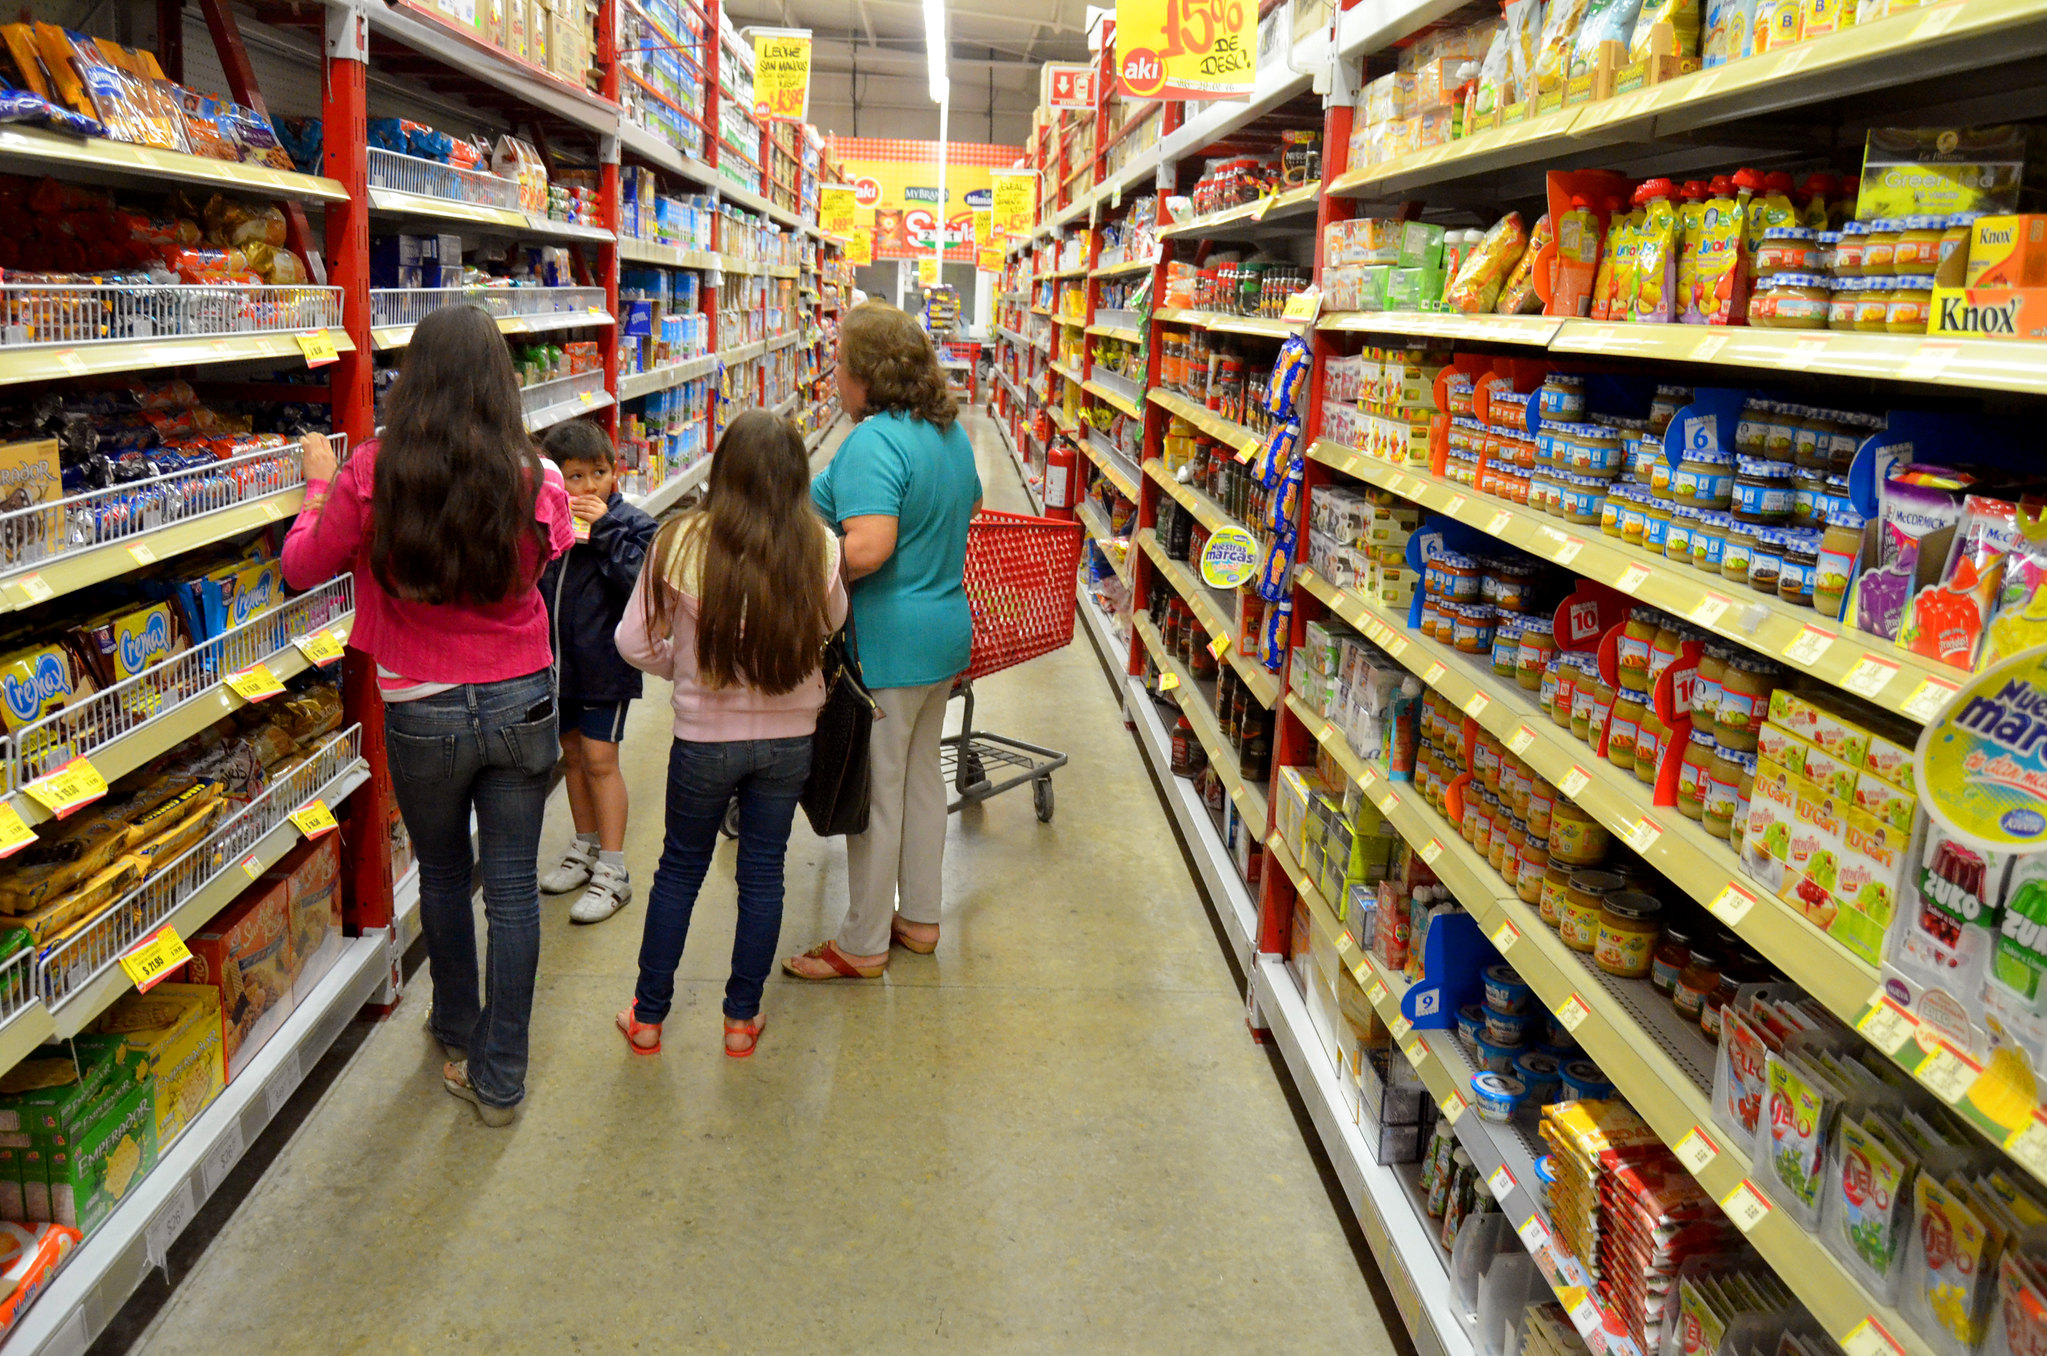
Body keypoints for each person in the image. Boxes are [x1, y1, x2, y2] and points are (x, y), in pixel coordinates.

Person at [282, 304, 574, 1127]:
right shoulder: (538, 475)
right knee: (514, 892)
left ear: (412, 382)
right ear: (501, 385)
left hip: (420, 704)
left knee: (444, 875)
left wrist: (313, 486)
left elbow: (303, 567)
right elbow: (555, 551)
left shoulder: (372, 471)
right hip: (522, 697)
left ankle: (454, 1030)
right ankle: (501, 1076)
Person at [614, 411, 847, 1056]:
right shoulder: (820, 546)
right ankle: (741, 1021)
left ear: (722, 472)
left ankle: (648, 1017)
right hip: (789, 740)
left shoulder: (678, 543)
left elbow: (631, 641)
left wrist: (681, 666)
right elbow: (831, 623)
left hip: (703, 740)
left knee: (679, 870)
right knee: (764, 875)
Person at [785, 302, 980, 982]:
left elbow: (867, 548)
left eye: (839, 363)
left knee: (878, 791)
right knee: (922, 781)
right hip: (944, 632)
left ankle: (862, 942)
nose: (833, 376)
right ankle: (919, 919)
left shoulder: (873, 441)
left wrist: (803, 570)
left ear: (866, 375)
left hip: (888, 645)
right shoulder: (945, 433)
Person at [536, 420, 657, 924]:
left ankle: (614, 870)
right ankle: (584, 847)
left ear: (615, 472)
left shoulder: (632, 524)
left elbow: (645, 586)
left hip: (605, 666)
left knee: (601, 759)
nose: (587, 487)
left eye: (599, 473)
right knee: (572, 756)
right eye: (574, 476)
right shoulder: (546, 522)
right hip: (555, 664)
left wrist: (605, 531)